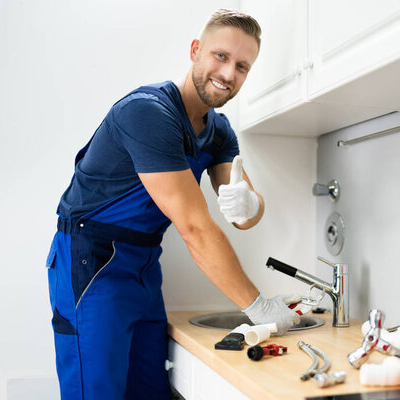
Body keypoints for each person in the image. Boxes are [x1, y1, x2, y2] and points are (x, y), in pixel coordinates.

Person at [45, 9, 301, 400]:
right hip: (91, 262)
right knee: (97, 392)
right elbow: (195, 228)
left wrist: (250, 205)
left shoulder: (219, 130)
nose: (229, 73)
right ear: (196, 50)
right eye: (221, 56)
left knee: (150, 391)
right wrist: (259, 305)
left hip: (145, 266)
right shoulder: (148, 113)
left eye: (242, 66)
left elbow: (244, 217)